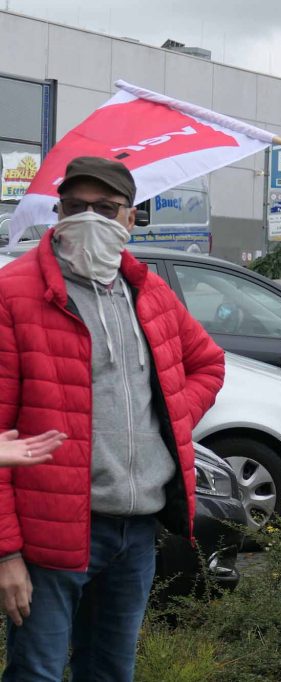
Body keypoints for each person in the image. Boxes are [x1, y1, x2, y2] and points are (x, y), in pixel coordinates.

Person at [0, 157, 226, 681]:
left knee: (110, 672)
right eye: (74, 207)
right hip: (49, 538)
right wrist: (6, 553)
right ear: (56, 213)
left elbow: (208, 363)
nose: (87, 219)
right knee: (37, 673)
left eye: (104, 209)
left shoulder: (148, 292)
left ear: (131, 219)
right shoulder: (14, 295)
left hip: (136, 529)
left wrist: (169, 423)